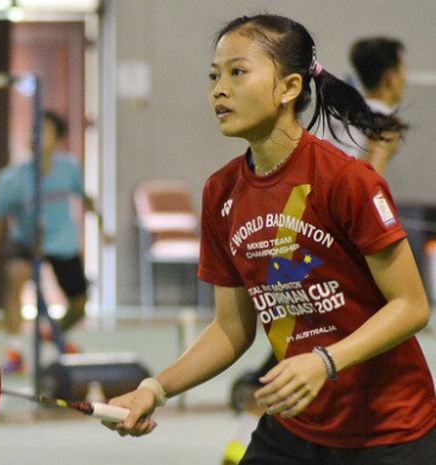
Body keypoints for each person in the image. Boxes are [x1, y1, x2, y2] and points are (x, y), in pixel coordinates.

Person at [104, 14, 436, 465]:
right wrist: (154, 388)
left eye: (237, 72)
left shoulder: (346, 181)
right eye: (214, 75)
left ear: (289, 88)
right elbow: (230, 328)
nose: (219, 89)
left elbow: (412, 306)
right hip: (296, 426)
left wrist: (325, 361)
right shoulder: (220, 193)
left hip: (390, 432)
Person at [223, 35, 409, 465]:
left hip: (286, 239)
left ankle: (238, 448)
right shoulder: (384, 124)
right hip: (332, 249)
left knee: (283, 366)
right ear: (392, 76)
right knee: (301, 367)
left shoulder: (335, 105)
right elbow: (367, 179)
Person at [0, 110, 106, 373]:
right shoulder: (11, 179)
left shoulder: (70, 168)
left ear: (58, 139)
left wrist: (101, 226)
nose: (37, 137)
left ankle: (54, 334)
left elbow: (85, 198)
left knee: (80, 305)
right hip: (27, 244)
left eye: (46, 131)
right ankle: (15, 351)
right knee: (17, 274)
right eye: (35, 131)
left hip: (62, 243)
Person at [324, 36, 407, 175]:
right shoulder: (387, 124)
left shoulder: (342, 111)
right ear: (390, 78)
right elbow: (368, 182)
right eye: (404, 72)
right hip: (344, 194)